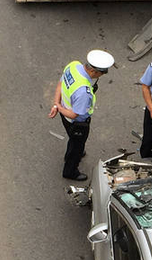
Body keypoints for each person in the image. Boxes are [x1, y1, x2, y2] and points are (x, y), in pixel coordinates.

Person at [48, 49, 114, 181]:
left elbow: (60, 84)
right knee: (77, 145)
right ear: (93, 71)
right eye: (101, 73)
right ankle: (70, 170)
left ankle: (72, 152)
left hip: (65, 115)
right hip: (76, 122)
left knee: (74, 141)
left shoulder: (73, 66)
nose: (100, 76)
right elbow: (74, 114)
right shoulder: (83, 92)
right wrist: (60, 108)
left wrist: (56, 104)